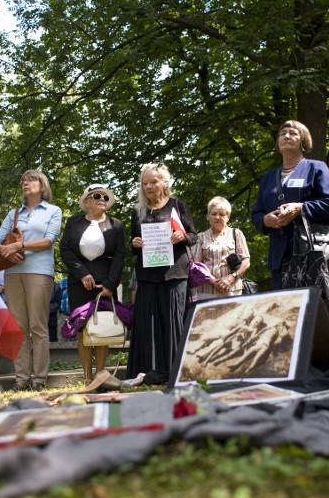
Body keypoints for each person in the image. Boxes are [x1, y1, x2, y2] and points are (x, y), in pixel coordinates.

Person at [251, 120, 329, 337]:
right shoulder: (269, 177)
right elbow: (256, 214)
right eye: (283, 133)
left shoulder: (316, 168)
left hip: (315, 252)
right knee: (286, 315)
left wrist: (301, 208)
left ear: (303, 141)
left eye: (293, 133)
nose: (287, 136)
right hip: (282, 253)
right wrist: (267, 220)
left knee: (327, 309)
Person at [0, 169, 62, 392]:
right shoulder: (14, 213)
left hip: (40, 272)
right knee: (19, 328)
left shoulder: (53, 210)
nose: (26, 183)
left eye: (31, 179)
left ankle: (39, 379)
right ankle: (21, 379)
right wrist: (4, 249)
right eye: (23, 180)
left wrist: (19, 245)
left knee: (37, 326)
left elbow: (49, 241)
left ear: (42, 185)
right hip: (12, 273)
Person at [127, 163, 197, 385]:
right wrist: (135, 244)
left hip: (175, 274)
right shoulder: (137, 212)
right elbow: (131, 246)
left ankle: (177, 371)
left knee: (174, 321)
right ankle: (147, 372)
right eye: (145, 182)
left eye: (153, 181)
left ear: (164, 183)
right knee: (149, 323)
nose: (148, 186)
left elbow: (193, 236)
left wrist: (182, 236)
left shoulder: (177, 205)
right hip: (147, 276)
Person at [59, 183, 125, 382]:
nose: (102, 200)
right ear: (86, 201)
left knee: (102, 329)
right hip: (79, 283)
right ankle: (87, 376)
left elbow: (120, 256)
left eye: (106, 197)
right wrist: (82, 274)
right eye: (97, 196)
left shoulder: (116, 225)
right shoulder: (73, 222)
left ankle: (101, 375)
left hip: (105, 283)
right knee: (83, 329)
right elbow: (65, 250)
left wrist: (109, 285)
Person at [195, 196, 251, 299]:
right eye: (213, 214)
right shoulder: (200, 237)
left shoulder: (236, 234)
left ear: (228, 217)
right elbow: (196, 265)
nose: (217, 217)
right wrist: (213, 281)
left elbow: (246, 261)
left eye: (221, 214)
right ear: (208, 216)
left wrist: (231, 278)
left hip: (233, 288)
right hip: (206, 290)